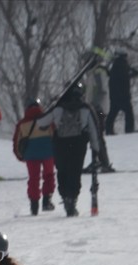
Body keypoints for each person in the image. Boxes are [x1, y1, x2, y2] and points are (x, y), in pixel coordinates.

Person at [34, 83, 101, 217]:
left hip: (61, 143)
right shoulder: (85, 108)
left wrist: (52, 105)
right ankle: (72, 199)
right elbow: (94, 130)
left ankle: (65, 197)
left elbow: (40, 123)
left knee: (62, 171)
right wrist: (96, 148)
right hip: (78, 143)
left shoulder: (59, 108)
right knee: (75, 172)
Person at [12, 99, 56, 215]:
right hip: (48, 152)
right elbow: (54, 135)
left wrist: (20, 156)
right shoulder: (46, 120)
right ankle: (47, 200)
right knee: (49, 175)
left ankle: (34, 205)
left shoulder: (22, 124)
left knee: (33, 178)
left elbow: (17, 141)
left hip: (31, 155)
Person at [82, 49, 114, 171]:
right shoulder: (93, 73)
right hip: (95, 108)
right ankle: (97, 161)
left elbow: (101, 90)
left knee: (97, 135)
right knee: (94, 135)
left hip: (98, 109)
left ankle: (103, 162)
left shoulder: (97, 72)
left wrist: (94, 105)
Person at [107, 52, 138, 134]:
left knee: (112, 113)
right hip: (123, 95)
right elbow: (124, 78)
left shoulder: (114, 66)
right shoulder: (122, 65)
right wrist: (132, 74)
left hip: (114, 95)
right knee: (129, 113)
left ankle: (108, 130)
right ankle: (129, 130)